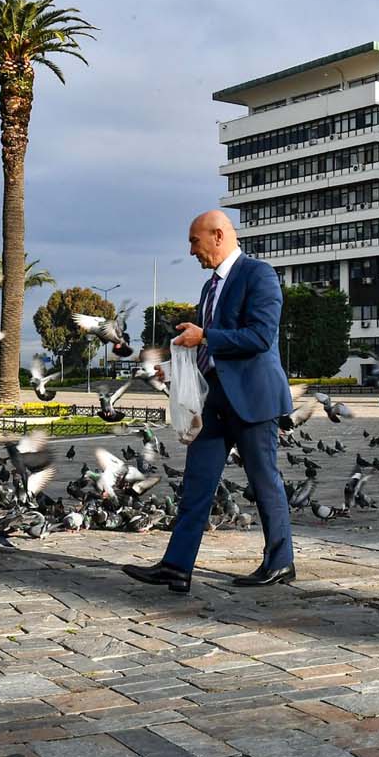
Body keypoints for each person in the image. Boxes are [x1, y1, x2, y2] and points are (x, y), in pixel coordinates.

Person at [122, 210, 295, 594]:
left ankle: (280, 562)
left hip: (253, 399)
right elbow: (209, 348)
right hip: (213, 399)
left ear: (218, 235)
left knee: (264, 482)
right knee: (196, 484)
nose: (190, 251)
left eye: (194, 241)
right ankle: (176, 567)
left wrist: (205, 337)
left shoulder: (259, 275)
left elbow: (260, 336)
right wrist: (176, 369)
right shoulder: (208, 288)